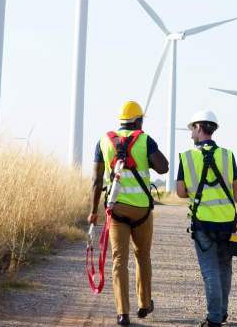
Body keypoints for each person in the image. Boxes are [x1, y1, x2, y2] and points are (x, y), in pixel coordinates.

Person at [90, 101, 170, 326]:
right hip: (142, 211)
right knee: (142, 257)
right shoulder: (145, 139)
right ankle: (144, 305)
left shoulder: (104, 141)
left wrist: (93, 212)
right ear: (138, 121)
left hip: (115, 211)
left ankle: (122, 313)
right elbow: (163, 167)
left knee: (119, 260)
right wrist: (146, 158)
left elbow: (96, 181)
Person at [174, 110, 237, 327]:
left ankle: (214, 319)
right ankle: (222, 313)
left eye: (192, 127)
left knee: (210, 270)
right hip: (228, 222)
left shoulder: (187, 157)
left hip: (203, 224)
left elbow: (181, 193)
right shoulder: (228, 155)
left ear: (199, 128)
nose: (191, 132)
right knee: (224, 269)